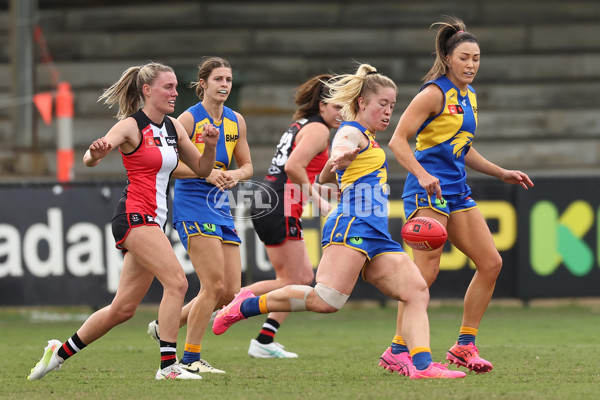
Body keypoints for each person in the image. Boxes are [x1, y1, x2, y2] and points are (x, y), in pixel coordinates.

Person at [211, 63, 466, 379]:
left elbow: (326, 173)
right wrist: (340, 155)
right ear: (362, 103)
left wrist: (334, 168)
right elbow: (343, 145)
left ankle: (422, 365)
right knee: (325, 300)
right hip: (352, 225)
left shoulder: (369, 137)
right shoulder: (351, 131)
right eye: (382, 104)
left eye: (392, 105)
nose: (388, 111)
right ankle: (243, 307)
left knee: (416, 290)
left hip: (376, 232)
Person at [27, 62, 219, 381]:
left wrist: (210, 147)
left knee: (123, 309)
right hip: (133, 216)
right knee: (178, 282)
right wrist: (95, 153)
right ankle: (169, 367)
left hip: (154, 222)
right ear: (147, 91)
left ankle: (57, 353)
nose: (175, 92)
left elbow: (201, 169)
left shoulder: (174, 127)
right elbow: (91, 158)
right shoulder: (131, 126)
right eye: (168, 87)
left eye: (175, 87)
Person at [383, 17, 534, 375]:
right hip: (426, 194)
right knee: (424, 276)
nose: (471, 65)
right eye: (465, 57)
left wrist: (501, 172)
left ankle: (464, 346)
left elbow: (461, 149)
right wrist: (422, 175)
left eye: (476, 58)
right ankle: (398, 350)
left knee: (491, 263)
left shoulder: (470, 97)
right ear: (449, 59)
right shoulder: (433, 93)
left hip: (457, 192)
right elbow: (397, 141)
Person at [146, 56, 252, 374]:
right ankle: (190, 359)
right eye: (218, 79)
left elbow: (248, 165)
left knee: (229, 292)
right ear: (202, 84)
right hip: (193, 206)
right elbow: (170, 165)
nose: (224, 85)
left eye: (228, 80)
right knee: (213, 285)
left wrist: (234, 175)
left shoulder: (237, 121)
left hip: (222, 208)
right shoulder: (187, 120)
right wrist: (205, 174)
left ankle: (167, 324)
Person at [245, 74, 342, 358]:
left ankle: (263, 340)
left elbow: (301, 172)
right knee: (295, 280)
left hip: (272, 199)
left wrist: (325, 195)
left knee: (296, 278)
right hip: (280, 204)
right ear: (322, 105)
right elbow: (293, 167)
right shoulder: (319, 130)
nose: (341, 113)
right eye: (337, 106)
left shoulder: (304, 124)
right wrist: (319, 203)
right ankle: (221, 304)